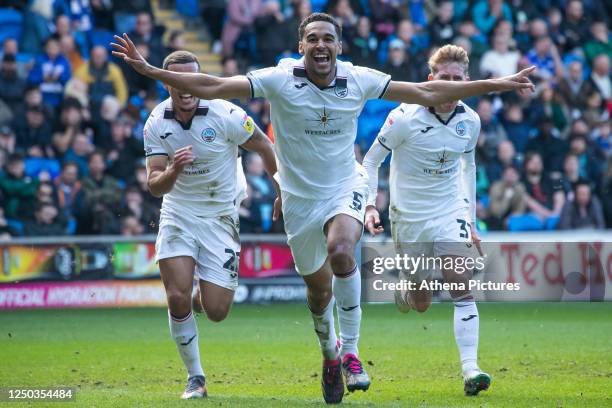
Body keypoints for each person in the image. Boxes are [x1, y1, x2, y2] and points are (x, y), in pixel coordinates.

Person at [111, 13, 534, 403]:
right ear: (301, 45)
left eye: (328, 38)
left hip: (344, 186)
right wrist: (149, 71)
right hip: (298, 197)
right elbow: (216, 87)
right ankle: (330, 351)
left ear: (339, 45)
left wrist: (497, 84)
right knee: (318, 291)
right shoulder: (278, 79)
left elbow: (426, 90)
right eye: (312, 38)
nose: (321, 44)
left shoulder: (359, 78)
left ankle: (351, 353)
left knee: (343, 251)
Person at [141, 51, 279, 400]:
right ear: (168, 83)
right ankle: (195, 378)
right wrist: (173, 171)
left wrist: (282, 190)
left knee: (216, 311)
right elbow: (154, 184)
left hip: (220, 215)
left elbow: (263, 145)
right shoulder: (156, 122)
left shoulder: (225, 112)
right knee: (176, 296)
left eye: (192, 79)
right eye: (178, 80)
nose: (186, 88)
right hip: (179, 213)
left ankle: (204, 292)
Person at [362, 45, 491, 396]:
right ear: (430, 80)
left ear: (467, 81)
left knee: (460, 283)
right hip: (409, 217)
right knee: (421, 302)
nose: (450, 87)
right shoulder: (404, 117)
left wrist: (471, 218)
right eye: (444, 79)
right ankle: (405, 291)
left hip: (449, 210)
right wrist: (370, 206)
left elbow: (468, 167)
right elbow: (371, 162)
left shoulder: (470, 120)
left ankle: (471, 370)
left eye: (457, 80)